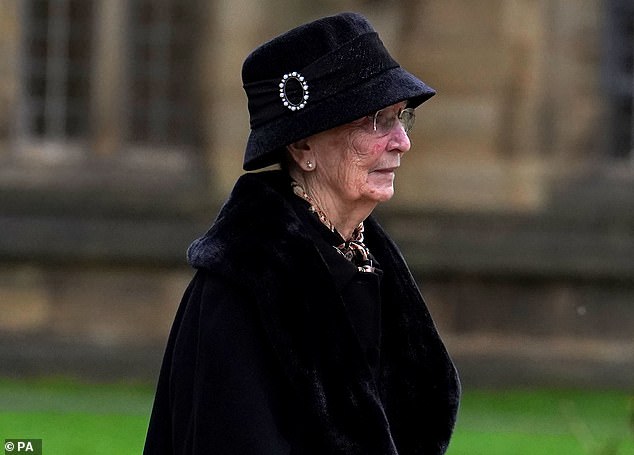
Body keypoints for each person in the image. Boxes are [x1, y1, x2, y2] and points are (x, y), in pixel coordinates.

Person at [144, 12, 460, 455]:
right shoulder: (240, 285)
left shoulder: (368, 257)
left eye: (401, 117)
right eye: (374, 120)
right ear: (302, 145)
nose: (401, 142)